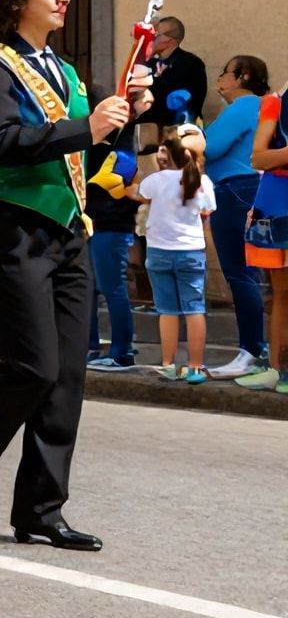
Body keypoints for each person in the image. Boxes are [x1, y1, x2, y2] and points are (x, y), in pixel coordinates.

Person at [0, 0, 148, 551]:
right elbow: (1, 144)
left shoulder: (67, 73)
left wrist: (122, 118)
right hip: (12, 230)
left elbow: (84, 151)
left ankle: (40, 510)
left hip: (69, 230)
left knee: (68, 375)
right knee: (32, 369)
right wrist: (88, 125)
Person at [202, 55, 269, 378]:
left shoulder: (244, 106)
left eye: (224, 72)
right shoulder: (261, 108)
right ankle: (257, 348)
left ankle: (251, 350)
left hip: (235, 190)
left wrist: (190, 134)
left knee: (240, 273)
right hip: (251, 189)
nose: (219, 80)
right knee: (249, 273)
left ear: (242, 76)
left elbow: (209, 147)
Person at [132, 126, 215, 383]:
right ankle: (195, 367)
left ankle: (168, 365)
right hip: (191, 251)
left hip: (159, 251)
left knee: (167, 310)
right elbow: (207, 210)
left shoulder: (156, 180)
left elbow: (139, 194)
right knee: (194, 309)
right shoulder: (202, 181)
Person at [83, 102, 142, 372]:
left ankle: (122, 352)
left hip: (111, 226)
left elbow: (118, 185)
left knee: (113, 288)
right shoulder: (98, 143)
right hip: (93, 224)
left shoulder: (122, 147)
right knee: (88, 288)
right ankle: (88, 346)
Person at [238, 80, 288, 394]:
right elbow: (257, 158)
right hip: (278, 202)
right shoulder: (275, 102)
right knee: (282, 292)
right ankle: (278, 369)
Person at [135, 16, 207, 127]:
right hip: (145, 125)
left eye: (155, 35)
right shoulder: (150, 63)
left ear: (168, 39)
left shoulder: (190, 63)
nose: (150, 39)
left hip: (175, 127)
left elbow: (165, 95)